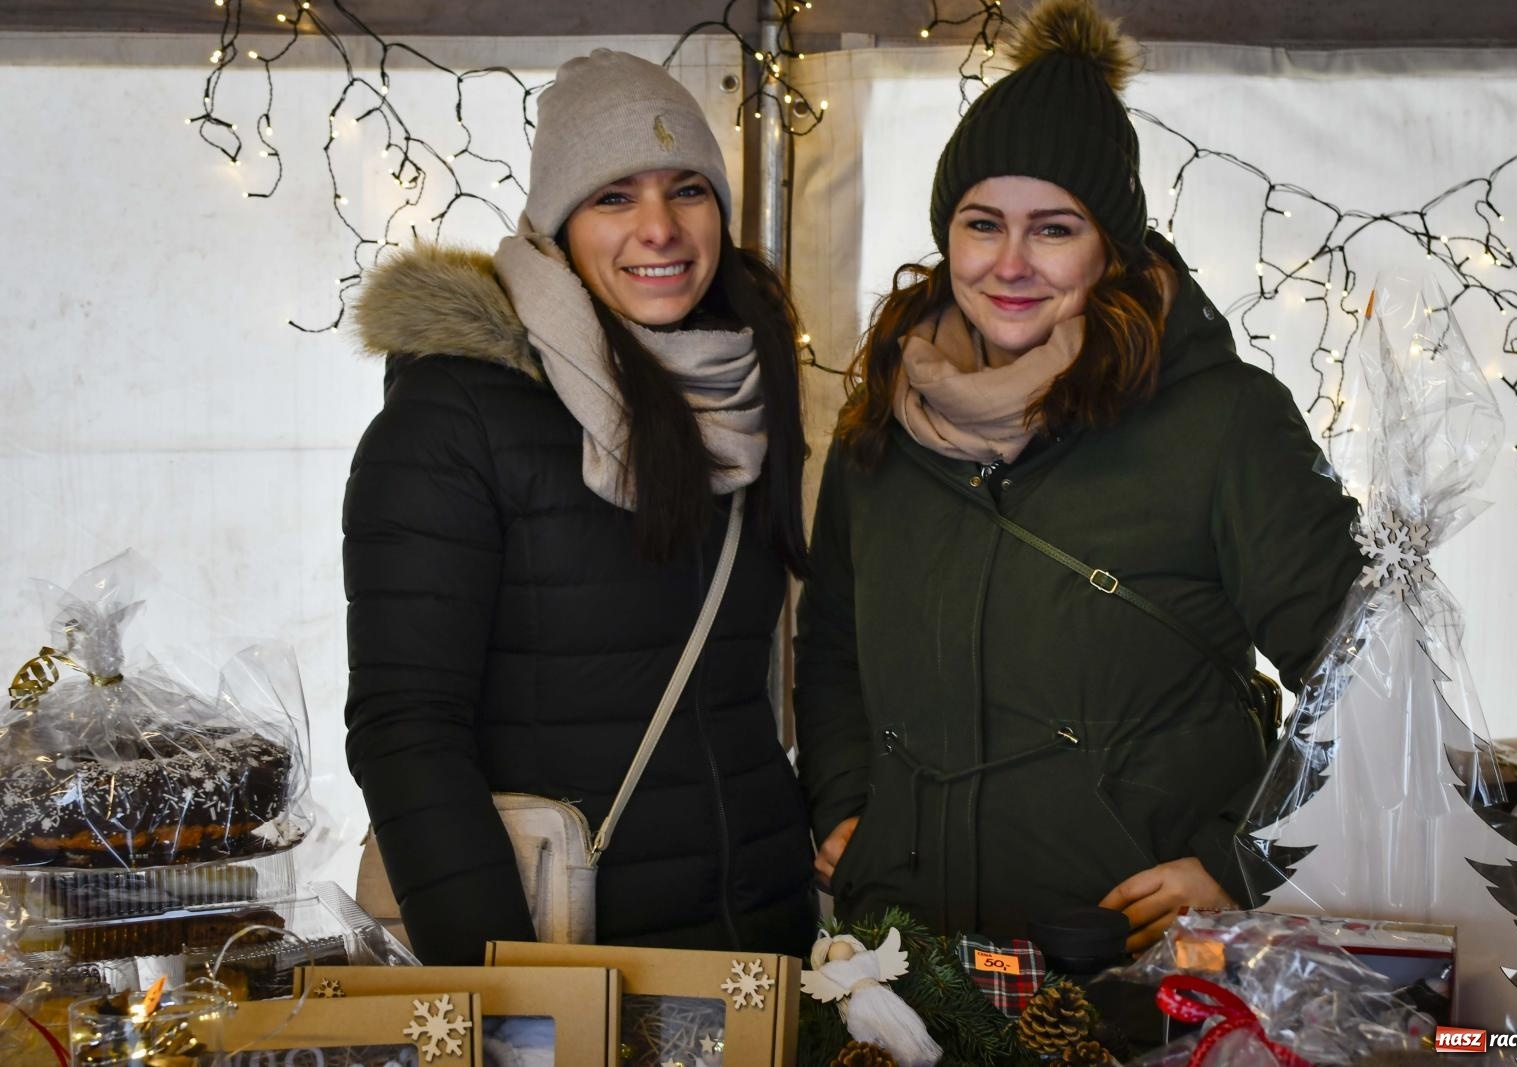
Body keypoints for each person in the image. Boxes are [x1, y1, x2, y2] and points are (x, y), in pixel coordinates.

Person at [794, 0, 1365, 953]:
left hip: (1135, 972)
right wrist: (846, 798)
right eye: (983, 223)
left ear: (1112, 247)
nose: (1010, 263)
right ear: (947, 234)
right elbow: (831, 650)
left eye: (1054, 229)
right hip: (908, 964)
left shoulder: (1224, 422)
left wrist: (1242, 858)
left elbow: (1369, 681)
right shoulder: (884, 425)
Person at [343, 49, 815, 965]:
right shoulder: (457, 415)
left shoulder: (747, 384)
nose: (659, 229)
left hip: (760, 947)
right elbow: (407, 729)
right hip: (566, 951)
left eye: (688, 190)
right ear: (558, 224)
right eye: (613, 197)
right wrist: (507, 993)